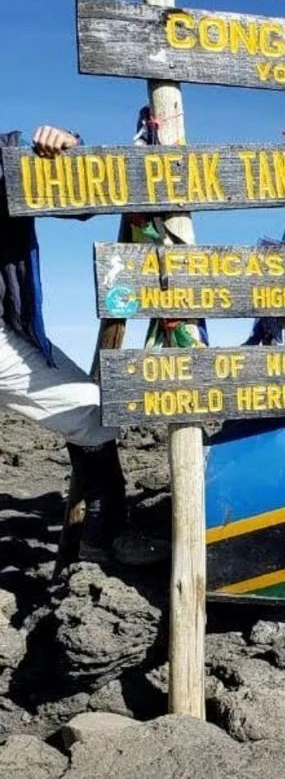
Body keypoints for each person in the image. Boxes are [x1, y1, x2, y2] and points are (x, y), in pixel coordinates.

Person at [0, 124, 166, 566]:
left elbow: (82, 200)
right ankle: (105, 537)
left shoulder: (6, 162)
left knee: (92, 412)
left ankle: (103, 534)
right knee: (92, 413)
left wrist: (69, 149)